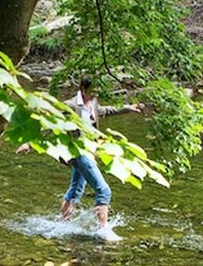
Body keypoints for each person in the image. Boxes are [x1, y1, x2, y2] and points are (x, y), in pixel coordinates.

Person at [58, 76, 142, 242]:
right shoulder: (70, 105)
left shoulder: (93, 103)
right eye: (92, 91)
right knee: (104, 190)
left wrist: (127, 108)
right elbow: (51, 124)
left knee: (76, 189)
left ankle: (62, 224)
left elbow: (105, 111)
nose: (95, 95)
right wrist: (29, 145)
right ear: (82, 89)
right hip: (76, 152)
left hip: (90, 151)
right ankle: (103, 230)